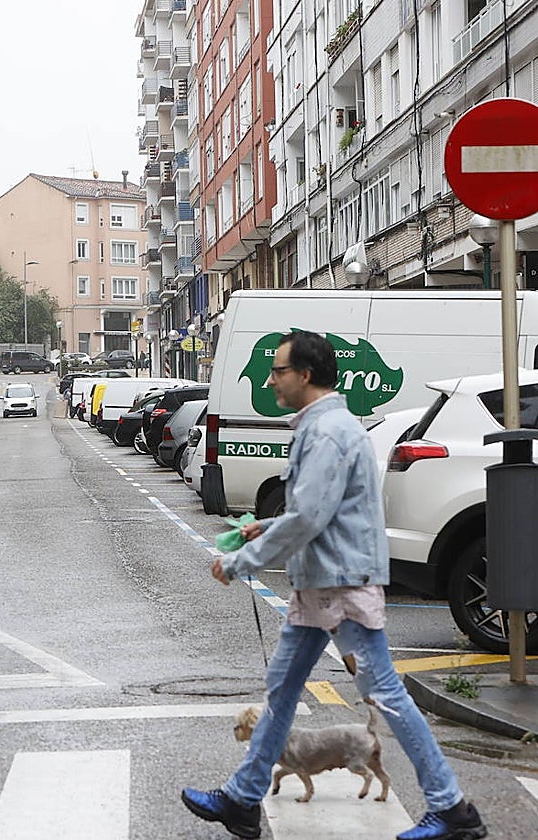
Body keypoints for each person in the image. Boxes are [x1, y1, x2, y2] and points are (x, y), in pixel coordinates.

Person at [181, 331, 486, 840]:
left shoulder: (327, 432)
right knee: (282, 694)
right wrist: (265, 529)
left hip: (340, 587)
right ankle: (243, 798)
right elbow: (313, 512)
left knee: (386, 694)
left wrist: (241, 561)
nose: (270, 379)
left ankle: (452, 808)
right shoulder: (325, 426)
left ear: (304, 375)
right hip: (322, 584)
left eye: (278, 371)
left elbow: (310, 517)